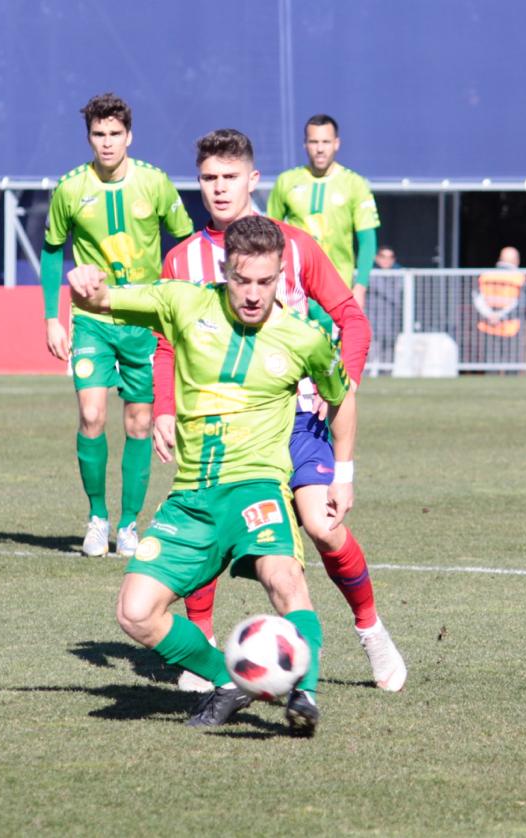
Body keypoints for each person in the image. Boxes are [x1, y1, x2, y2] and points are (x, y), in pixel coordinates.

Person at [68, 215, 356, 736]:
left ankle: (304, 692)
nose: (252, 293)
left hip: (257, 488)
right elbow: (100, 301)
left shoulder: (304, 337)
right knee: (135, 613)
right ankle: (231, 679)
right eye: (242, 280)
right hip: (191, 498)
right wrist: (84, 280)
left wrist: (344, 472)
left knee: (284, 578)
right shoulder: (185, 302)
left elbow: (342, 397)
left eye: (265, 282)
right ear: (225, 271)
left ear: (280, 275)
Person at [153, 129, 406, 695]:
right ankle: (202, 647)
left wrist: (338, 386)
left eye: (229, 177)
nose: (219, 189)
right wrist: (164, 407)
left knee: (322, 524)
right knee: (209, 532)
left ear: (252, 179)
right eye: (209, 178)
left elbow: (352, 318)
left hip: (293, 420)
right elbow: (167, 341)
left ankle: (371, 631)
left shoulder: (294, 245)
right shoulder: (182, 258)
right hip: (218, 426)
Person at [41, 92, 193, 557]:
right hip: (91, 318)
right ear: (88, 137)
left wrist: (176, 304)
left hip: (144, 320)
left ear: (129, 135)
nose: (106, 143)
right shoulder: (70, 188)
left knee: (140, 423)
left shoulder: (155, 183)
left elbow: (184, 242)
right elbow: (52, 250)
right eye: (98, 134)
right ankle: (97, 518)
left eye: (114, 134)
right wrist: (52, 317)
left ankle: (129, 525)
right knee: (91, 415)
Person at [268, 114, 379, 310]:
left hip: (338, 290)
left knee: (335, 341)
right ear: (305, 144)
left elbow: (367, 240)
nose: (320, 149)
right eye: (314, 142)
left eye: (326, 142)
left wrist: (360, 288)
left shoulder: (355, 184)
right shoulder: (286, 181)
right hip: (294, 288)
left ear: (336, 143)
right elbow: (269, 234)